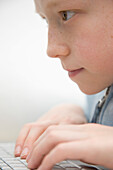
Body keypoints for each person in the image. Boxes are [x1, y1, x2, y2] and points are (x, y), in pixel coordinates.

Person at [14, 0, 113, 169]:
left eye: (66, 14)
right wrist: (79, 114)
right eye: (46, 20)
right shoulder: (102, 81)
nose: (51, 49)